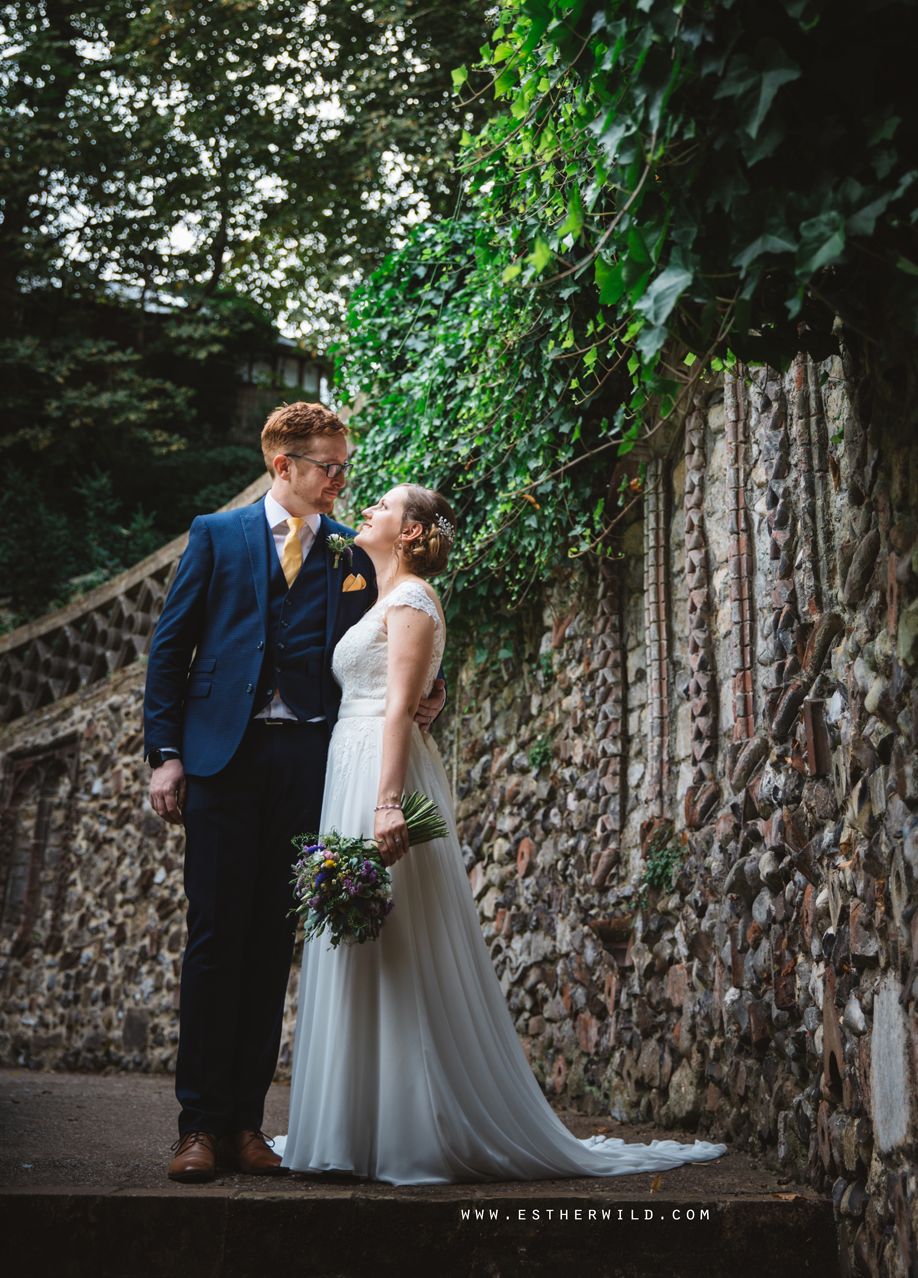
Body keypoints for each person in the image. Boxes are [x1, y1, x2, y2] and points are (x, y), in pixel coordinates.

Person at [280, 482, 725, 1183]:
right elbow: (410, 693)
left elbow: (398, 710)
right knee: (362, 935)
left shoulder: (413, 601)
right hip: (354, 762)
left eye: (385, 506)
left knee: (395, 938)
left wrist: (388, 803)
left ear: (411, 532)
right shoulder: (388, 599)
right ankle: (351, 1125)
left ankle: (406, 1129)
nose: (367, 508)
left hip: (379, 774)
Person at [142, 403, 446, 1182]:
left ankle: (246, 1123)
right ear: (284, 466)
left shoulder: (349, 552)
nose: (342, 481)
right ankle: (197, 1128)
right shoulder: (218, 534)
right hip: (220, 761)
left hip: (308, 763)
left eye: (346, 467)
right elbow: (171, 649)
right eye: (329, 468)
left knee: (275, 941)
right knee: (216, 937)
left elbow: (387, 634)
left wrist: (429, 693)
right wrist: (167, 753)